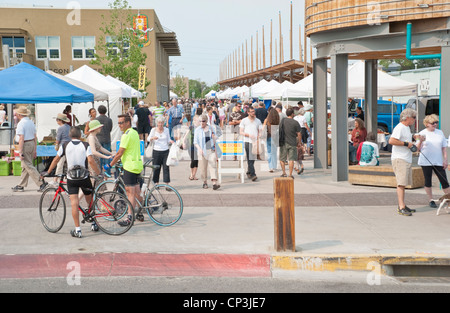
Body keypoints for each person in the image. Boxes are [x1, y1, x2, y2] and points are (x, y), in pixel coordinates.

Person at [42, 127, 101, 238]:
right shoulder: (85, 145)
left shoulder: (64, 145)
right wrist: (99, 172)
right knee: (90, 201)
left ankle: (78, 230)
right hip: (84, 177)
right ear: (80, 135)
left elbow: (56, 159)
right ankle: (94, 223)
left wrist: (48, 171)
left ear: (70, 135)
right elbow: (91, 161)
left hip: (71, 178)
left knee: (74, 203)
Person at [105, 114, 143, 226]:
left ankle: (129, 218)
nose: (119, 125)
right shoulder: (134, 132)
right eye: (118, 123)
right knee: (136, 193)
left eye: (121, 122)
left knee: (129, 193)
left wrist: (109, 165)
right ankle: (142, 209)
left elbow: (120, 153)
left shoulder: (126, 135)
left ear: (128, 123)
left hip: (130, 167)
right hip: (137, 165)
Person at [388, 108, 418, 216]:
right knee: (401, 184)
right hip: (400, 159)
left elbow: (405, 140)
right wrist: (407, 144)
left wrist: (413, 139)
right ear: (408, 117)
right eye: (414, 117)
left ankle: (403, 205)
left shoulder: (406, 128)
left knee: (403, 183)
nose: (415, 119)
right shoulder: (400, 127)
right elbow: (391, 140)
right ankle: (401, 207)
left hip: (405, 158)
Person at [416, 114, 450, 208]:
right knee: (428, 181)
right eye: (432, 123)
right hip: (426, 161)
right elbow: (417, 149)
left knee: (444, 181)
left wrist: (445, 159)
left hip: (438, 161)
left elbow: (444, 148)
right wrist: (420, 141)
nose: (435, 124)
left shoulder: (440, 133)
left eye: (436, 122)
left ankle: (449, 199)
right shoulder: (422, 133)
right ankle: (431, 200)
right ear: (427, 124)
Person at [12, 107, 48, 192]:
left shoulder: (21, 124)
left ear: (20, 114)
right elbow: (35, 137)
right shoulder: (31, 122)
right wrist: (35, 149)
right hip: (31, 143)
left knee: (28, 165)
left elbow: (21, 138)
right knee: (26, 166)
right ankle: (21, 185)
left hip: (25, 144)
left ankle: (41, 183)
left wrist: (20, 152)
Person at [194, 114, 220, 190]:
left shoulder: (211, 128)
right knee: (203, 168)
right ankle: (204, 182)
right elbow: (195, 142)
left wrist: (214, 137)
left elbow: (216, 138)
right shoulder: (197, 130)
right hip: (202, 151)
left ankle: (214, 183)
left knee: (212, 165)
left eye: (203, 121)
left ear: (206, 121)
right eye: (200, 121)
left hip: (211, 150)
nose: (202, 123)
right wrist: (199, 149)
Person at [148, 116, 174, 185]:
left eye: (162, 123)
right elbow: (148, 138)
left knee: (166, 167)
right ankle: (156, 183)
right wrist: (153, 138)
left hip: (165, 150)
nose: (160, 124)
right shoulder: (153, 130)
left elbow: (168, 139)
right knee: (156, 168)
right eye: (159, 123)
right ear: (157, 123)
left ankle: (167, 184)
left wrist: (171, 141)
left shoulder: (166, 130)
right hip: (156, 150)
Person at [240, 107, 262, 182]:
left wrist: (259, 137)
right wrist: (248, 135)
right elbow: (241, 132)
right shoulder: (244, 120)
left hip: (255, 142)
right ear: (248, 112)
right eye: (252, 112)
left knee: (253, 159)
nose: (253, 113)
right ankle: (253, 174)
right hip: (247, 141)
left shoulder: (258, 121)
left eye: (254, 111)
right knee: (250, 158)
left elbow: (260, 131)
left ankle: (249, 172)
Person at [279, 108, 301, 178]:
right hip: (292, 142)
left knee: (282, 159)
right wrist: (299, 142)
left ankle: (284, 173)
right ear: (292, 114)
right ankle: (290, 174)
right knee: (291, 159)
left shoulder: (282, 121)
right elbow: (299, 134)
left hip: (283, 142)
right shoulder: (295, 122)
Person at [52, 113, 71, 185]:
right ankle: (69, 178)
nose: (56, 121)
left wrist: (56, 145)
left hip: (62, 146)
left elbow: (58, 138)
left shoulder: (60, 128)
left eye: (57, 119)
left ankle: (55, 179)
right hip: (69, 145)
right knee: (68, 163)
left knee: (60, 163)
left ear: (60, 120)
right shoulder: (69, 127)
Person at [95, 105, 113, 175]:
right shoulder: (109, 119)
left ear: (98, 111)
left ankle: (100, 172)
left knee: (99, 157)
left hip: (98, 139)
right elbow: (110, 129)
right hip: (107, 138)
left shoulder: (96, 120)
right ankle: (107, 172)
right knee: (107, 156)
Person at [263, 107, 280, 173]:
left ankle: (270, 167)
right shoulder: (277, 120)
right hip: (275, 137)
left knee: (269, 152)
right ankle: (274, 166)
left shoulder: (267, 120)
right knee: (274, 152)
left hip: (269, 137)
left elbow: (263, 129)